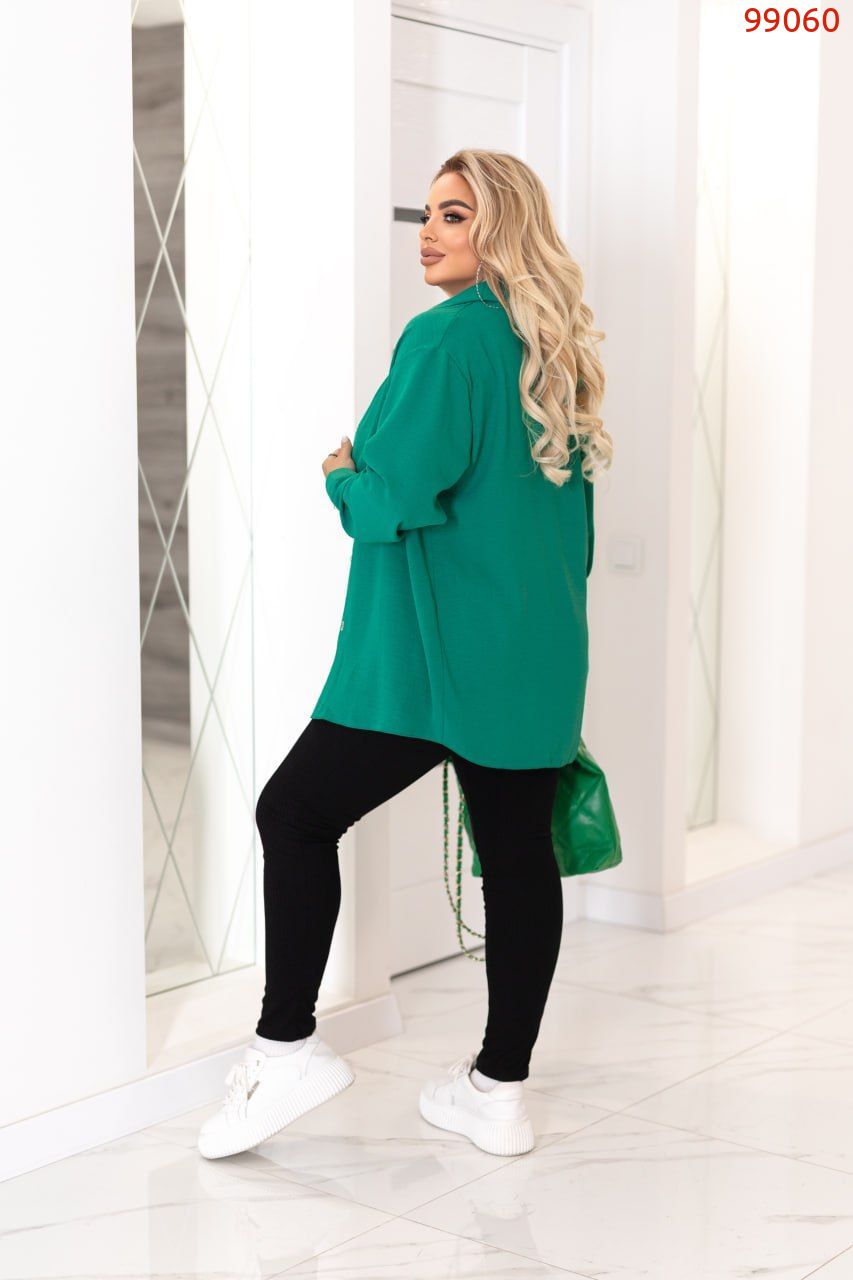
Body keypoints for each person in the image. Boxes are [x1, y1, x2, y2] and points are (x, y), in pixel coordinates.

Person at [198, 148, 611, 1162]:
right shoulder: (553, 351)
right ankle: (497, 1092)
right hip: (536, 650)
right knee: (516, 861)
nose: (428, 231)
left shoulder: (446, 339)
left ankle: (286, 1048)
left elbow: (389, 501)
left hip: (436, 656)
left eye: (454, 214)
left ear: (500, 227)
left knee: (293, 814)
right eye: (426, 213)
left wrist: (340, 472)